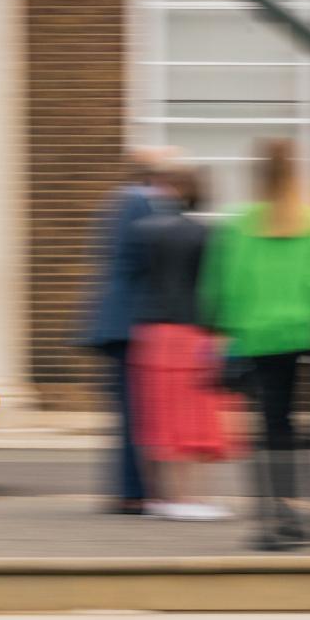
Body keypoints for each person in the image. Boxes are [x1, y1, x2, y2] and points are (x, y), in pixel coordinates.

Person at [200, 139, 310, 550]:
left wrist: (220, 326)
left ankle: (274, 518)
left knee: (269, 427)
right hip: (306, 333)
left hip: (258, 335)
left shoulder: (240, 224)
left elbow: (226, 284)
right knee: (298, 426)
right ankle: (309, 515)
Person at [128, 165, 238, 521]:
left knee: (157, 417)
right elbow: (214, 289)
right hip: (191, 334)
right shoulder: (206, 235)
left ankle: (160, 497)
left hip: (149, 333)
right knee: (192, 418)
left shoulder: (143, 232)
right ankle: (189, 497)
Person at [79, 145, 175, 514]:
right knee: (137, 410)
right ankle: (134, 493)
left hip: (119, 321)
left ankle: (133, 490)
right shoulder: (140, 203)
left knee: (130, 409)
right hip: (130, 324)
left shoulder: (120, 202)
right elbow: (145, 264)